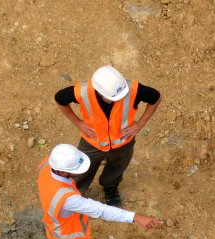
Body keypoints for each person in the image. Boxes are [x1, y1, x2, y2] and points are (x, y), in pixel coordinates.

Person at [55, 66, 161, 206]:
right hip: (92, 142)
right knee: (81, 170)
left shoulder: (132, 89)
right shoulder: (83, 92)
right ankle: (75, 194)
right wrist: (78, 123)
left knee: (118, 167)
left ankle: (110, 186)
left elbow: (155, 98)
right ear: (98, 91)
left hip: (123, 142)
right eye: (113, 98)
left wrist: (139, 124)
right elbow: (59, 99)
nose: (119, 99)